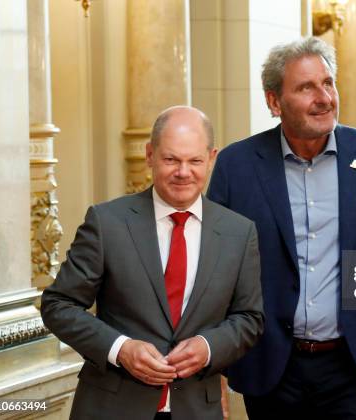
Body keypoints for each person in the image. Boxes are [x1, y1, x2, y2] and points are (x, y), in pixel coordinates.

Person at [207, 37, 356, 419]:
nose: (324, 97)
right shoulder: (237, 165)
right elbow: (215, 273)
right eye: (306, 87)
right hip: (271, 370)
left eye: (328, 83)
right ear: (273, 102)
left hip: (354, 367)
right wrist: (211, 364)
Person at [41, 106, 264, 420]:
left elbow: (249, 318)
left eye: (195, 161)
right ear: (150, 155)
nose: (183, 172)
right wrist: (120, 348)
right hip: (112, 408)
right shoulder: (107, 223)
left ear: (212, 158)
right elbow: (58, 304)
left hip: (197, 409)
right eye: (171, 159)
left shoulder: (240, 233)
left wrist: (209, 346)